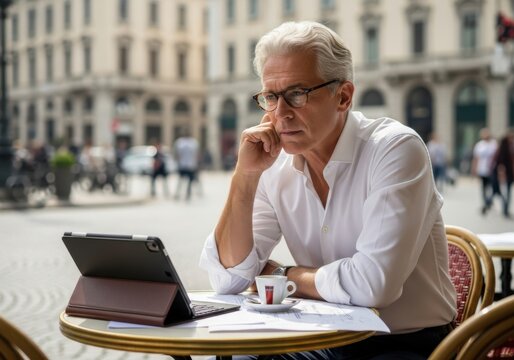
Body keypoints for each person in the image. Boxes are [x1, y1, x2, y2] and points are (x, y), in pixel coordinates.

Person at [199, 21, 456, 359]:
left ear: (343, 96)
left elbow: (372, 285)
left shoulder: (394, 148)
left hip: (405, 343)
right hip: (319, 336)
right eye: (271, 97)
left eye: (296, 94)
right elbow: (229, 280)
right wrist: (244, 178)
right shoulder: (271, 164)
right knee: (240, 354)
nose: (280, 114)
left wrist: (281, 274)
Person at [471, 128, 498, 215]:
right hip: (482, 170)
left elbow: (497, 157)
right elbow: (476, 158)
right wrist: (474, 169)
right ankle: (485, 203)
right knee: (483, 188)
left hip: (492, 170)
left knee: (493, 188)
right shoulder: (479, 145)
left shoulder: (494, 144)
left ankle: (488, 201)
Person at [491, 130, 514, 218]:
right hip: (504, 174)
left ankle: (505, 209)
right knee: (505, 192)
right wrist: (502, 175)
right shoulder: (503, 150)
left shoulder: (509, 148)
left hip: (509, 174)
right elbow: (500, 165)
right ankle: (504, 209)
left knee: (506, 192)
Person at [174, 129, 200, 200]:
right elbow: (196, 155)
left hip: (183, 165)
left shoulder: (179, 142)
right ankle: (187, 194)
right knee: (189, 181)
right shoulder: (193, 142)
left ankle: (179, 194)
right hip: (191, 165)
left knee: (181, 180)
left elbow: (177, 155)